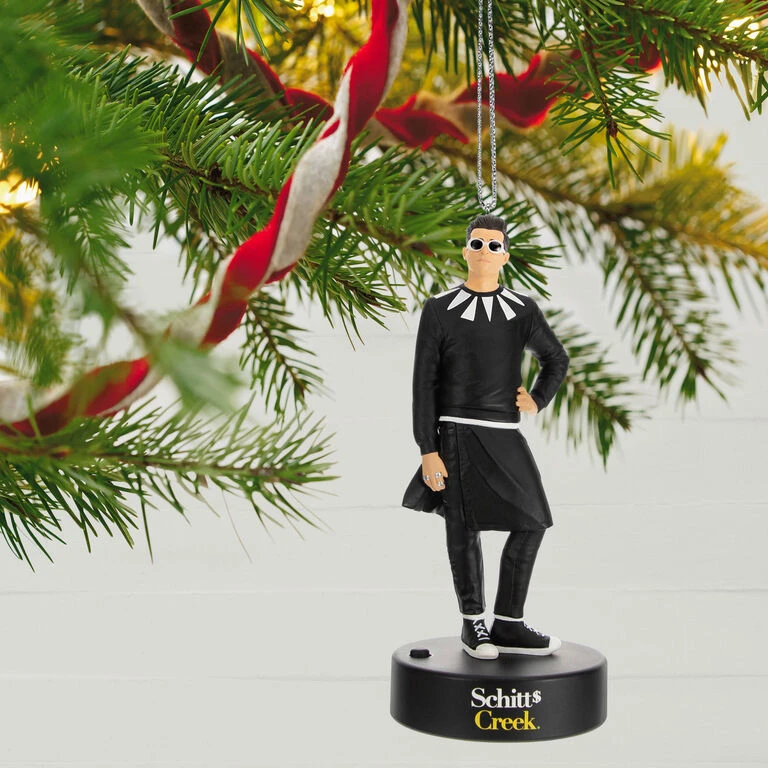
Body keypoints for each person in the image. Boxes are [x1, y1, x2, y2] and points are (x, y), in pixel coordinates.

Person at [402, 213, 570, 660]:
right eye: (477, 244)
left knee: (534, 520)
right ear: (465, 251)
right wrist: (428, 449)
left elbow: (556, 358)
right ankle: (472, 622)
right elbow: (424, 384)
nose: (485, 252)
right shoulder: (440, 309)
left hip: (504, 432)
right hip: (456, 433)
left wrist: (537, 398)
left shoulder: (522, 310)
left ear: (505, 256)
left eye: (494, 245)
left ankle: (509, 623)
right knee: (463, 526)